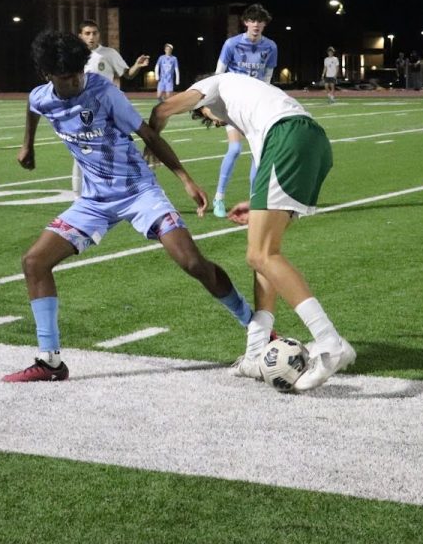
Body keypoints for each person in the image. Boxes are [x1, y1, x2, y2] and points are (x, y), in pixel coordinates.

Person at [3, 31, 255, 383]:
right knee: (34, 262)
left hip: (139, 193)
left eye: (78, 72)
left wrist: (185, 179)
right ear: (49, 77)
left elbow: (149, 136)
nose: (75, 80)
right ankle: (50, 362)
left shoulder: (103, 92)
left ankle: (255, 327)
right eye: (66, 78)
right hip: (94, 201)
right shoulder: (42, 97)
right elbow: (33, 107)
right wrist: (27, 145)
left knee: (193, 262)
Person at [149, 72, 353, 393]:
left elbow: (163, 109)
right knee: (262, 258)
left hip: (288, 137)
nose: (218, 123)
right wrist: (255, 206)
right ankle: (255, 351)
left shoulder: (214, 84)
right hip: (309, 141)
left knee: (261, 254)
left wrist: (153, 141)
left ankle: (330, 342)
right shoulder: (255, 104)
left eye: (209, 118)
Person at [212, 3, 278, 218]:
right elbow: (218, 74)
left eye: (260, 21)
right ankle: (219, 197)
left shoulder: (271, 47)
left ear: (264, 24)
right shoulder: (231, 44)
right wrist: (215, 107)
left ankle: (254, 200)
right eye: (252, 21)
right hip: (233, 104)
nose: (256, 25)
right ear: (246, 23)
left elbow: (267, 79)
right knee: (235, 150)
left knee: (258, 154)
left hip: (257, 105)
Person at [71, 19, 150, 193]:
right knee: (81, 152)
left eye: (94, 33)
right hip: (82, 111)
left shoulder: (108, 53)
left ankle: (126, 189)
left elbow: (127, 74)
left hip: (107, 111)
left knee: (116, 148)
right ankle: (78, 196)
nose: (91, 37)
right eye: (87, 33)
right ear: (80, 36)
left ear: (99, 34)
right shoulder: (73, 56)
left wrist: (137, 65)